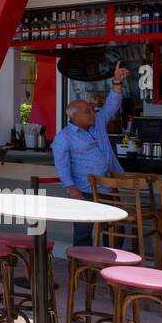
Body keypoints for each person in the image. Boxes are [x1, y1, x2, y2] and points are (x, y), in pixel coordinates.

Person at [51, 60, 128, 247]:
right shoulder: (64, 137)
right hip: (84, 190)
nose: (93, 113)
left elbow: (112, 104)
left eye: (92, 110)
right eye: (87, 112)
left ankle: (112, 264)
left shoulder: (99, 122)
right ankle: (81, 269)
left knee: (116, 228)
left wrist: (116, 83)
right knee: (84, 232)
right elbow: (62, 166)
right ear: (74, 116)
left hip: (108, 186)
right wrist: (71, 188)